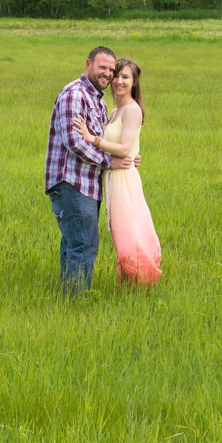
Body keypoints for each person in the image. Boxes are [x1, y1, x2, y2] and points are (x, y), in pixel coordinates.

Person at [45, 46, 138, 292]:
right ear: (88, 64)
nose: (108, 74)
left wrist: (127, 157)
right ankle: (76, 302)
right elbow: (74, 142)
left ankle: (68, 300)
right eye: (102, 67)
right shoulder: (75, 94)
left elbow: (105, 141)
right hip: (72, 183)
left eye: (112, 69)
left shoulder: (98, 101)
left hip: (87, 184)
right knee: (83, 245)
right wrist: (110, 162)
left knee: (74, 244)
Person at [73, 57, 162, 286]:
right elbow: (128, 147)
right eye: (117, 76)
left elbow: (123, 149)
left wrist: (93, 139)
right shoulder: (115, 111)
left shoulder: (132, 110)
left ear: (134, 82)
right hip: (114, 178)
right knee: (121, 235)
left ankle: (142, 283)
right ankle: (129, 285)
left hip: (123, 179)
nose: (119, 81)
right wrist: (133, 154)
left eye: (125, 77)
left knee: (128, 236)